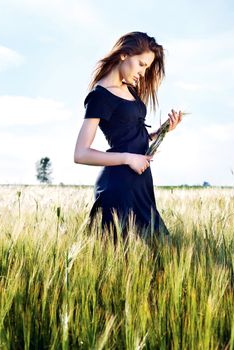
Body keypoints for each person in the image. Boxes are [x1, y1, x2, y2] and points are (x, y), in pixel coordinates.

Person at [74, 31, 182, 242]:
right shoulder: (99, 96)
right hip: (118, 187)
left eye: (147, 67)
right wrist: (128, 158)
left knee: (160, 254)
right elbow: (81, 154)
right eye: (141, 64)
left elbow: (129, 135)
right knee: (120, 259)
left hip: (141, 184)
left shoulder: (129, 89)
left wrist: (162, 131)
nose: (143, 72)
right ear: (124, 54)